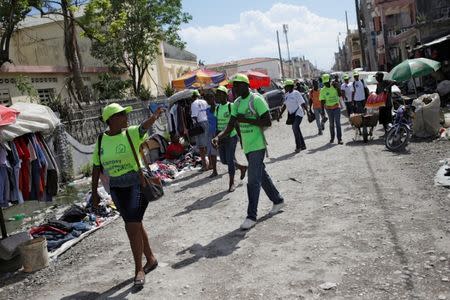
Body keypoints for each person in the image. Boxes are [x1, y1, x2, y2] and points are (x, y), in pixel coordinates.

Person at [91, 103, 163, 286]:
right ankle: (151, 259)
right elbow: (96, 167)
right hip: (116, 188)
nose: (126, 117)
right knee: (135, 224)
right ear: (111, 119)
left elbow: (143, 127)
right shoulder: (101, 140)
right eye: (122, 114)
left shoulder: (130, 132)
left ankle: (139, 268)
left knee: (131, 227)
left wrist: (154, 117)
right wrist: (94, 193)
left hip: (136, 184)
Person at [212, 74, 284, 230]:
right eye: (233, 86)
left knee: (253, 181)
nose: (235, 89)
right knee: (261, 175)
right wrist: (218, 137)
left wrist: (246, 120)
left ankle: (251, 216)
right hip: (247, 146)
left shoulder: (256, 100)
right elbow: (230, 126)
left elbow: (267, 121)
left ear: (245, 85)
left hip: (258, 145)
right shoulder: (236, 103)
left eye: (237, 85)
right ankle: (278, 200)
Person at [213, 85, 247, 192]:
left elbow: (235, 123)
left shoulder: (231, 106)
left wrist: (240, 138)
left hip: (231, 137)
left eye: (220, 94)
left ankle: (231, 183)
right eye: (217, 94)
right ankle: (241, 167)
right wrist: (216, 138)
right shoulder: (217, 108)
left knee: (230, 159)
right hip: (221, 137)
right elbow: (217, 124)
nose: (218, 96)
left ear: (225, 95)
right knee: (224, 160)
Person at [280, 79, 307, 152]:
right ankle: (303, 145)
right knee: (297, 129)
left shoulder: (296, 93)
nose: (284, 88)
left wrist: (308, 112)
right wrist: (280, 114)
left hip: (298, 113)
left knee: (295, 128)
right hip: (292, 115)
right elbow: (284, 106)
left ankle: (298, 147)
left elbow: (303, 103)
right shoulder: (286, 94)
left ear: (289, 86)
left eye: (285, 86)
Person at [320, 74, 343, 144]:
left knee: (338, 123)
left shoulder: (335, 86)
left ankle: (339, 139)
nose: (326, 84)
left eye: (327, 82)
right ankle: (332, 138)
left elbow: (339, 95)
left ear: (330, 80)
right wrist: (323, 112)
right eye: (324, 83)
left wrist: (338, 87)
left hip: (336, 107)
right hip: (329, 109)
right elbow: (322, 102)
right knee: (331, 124)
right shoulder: (323, 90)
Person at [190, 90, 209, 171]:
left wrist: (195, 127)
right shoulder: (205, 101)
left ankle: (204, 166)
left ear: (193, 97)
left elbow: (194, 116)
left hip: (200, 124)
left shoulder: (193, 104)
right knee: (208, 144)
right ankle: (211, 164)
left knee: (201, 147)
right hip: (207, 122)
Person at [204, 92, 218, 177]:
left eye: (209, 98)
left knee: (224, 153)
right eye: (207, 99)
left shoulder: (219, 107)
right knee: (212, 152)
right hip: (210, 133)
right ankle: (214, 171)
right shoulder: (207, 110)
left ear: (213, 98)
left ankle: (237, 166)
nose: (208, 101)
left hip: (219, 132)